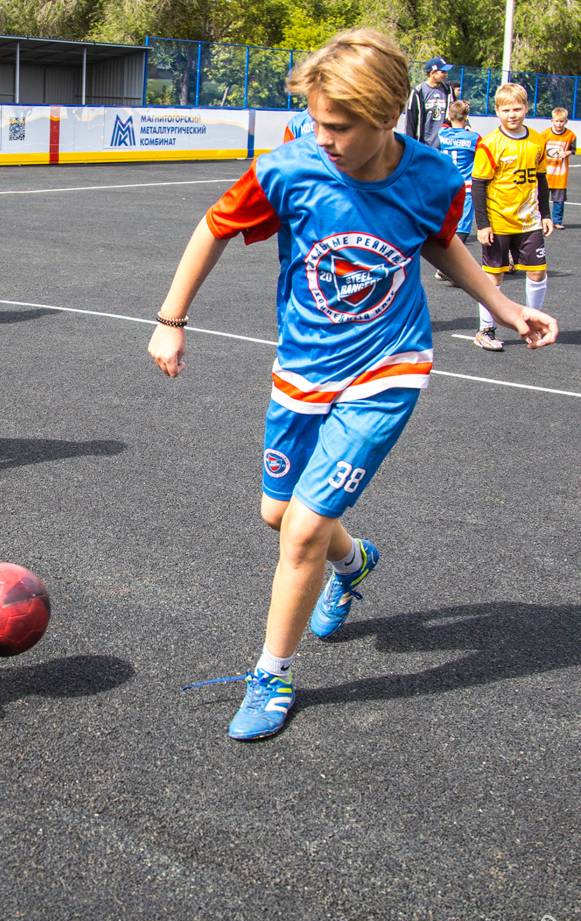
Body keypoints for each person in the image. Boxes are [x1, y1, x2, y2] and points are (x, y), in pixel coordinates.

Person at [147, 29, 557, 742]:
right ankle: (354, 558)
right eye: (315, 120)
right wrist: (169, 318)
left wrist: (504, 305)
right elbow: (211, 227)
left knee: (300, 530)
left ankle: (271, 673)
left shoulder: (431, 176)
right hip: (302, 370)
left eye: (337, 126)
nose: (323, 136)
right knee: (277, 516)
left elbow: (438, 239)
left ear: (387, 114)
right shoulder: (284, 170)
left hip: (387, 369)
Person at [472, 83, 553, 352]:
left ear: (527, 108)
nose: (513, 114)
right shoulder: (490, 144)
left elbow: (541, 179)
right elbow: (479, 184)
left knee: (538, 272)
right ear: (497, 111)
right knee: (493, 278)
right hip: (499, 221)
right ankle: (486, 329)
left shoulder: (537, 140)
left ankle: (532, 322)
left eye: (517, 108)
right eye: (506, 110)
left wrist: (546, 214)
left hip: (529, 221)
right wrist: (483, 224)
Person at [434, 99, 481, 281]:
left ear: (449, 116)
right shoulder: (474, 138)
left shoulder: (442, 134)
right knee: (462, 228)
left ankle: (444, 266)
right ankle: (450, 269)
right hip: (465, 188)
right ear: (466, 117)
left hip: (446, 186)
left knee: (448, 226)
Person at [405, 55, 455, 148]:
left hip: (444, 147)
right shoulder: (418, 92)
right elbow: (410, 123)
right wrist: (411, 147)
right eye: (443, 72)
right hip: (423, 147)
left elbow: (455, 112)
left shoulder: (448, 90)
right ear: (433, 73)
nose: (446, 74)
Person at [543, 107, 576, 229]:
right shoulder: (545, 134)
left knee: (559, 201)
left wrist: (566, 153)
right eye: (556, 121)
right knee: (542, 198)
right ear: (552, 120)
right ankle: (543, 220)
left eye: (561, 121)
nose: (558, 124)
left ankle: (557, 221)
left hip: (560, 174)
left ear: (566, 121)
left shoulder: (570, 135)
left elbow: (573, 150)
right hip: (546, 174)